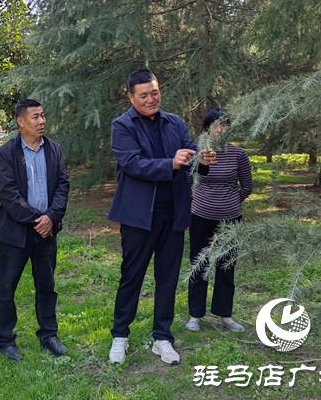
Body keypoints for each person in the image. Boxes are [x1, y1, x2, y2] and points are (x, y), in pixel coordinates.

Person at [107, 70, 217, 365]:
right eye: (143, 95)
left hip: (174, 214)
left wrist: (203, 160)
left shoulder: (174, 123)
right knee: (132, 276)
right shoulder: (122, 125)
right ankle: (120, 335)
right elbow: (132, 163)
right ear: (130, 97)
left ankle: (162, 337)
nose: (150, 99)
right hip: (138, 216)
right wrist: (170, 163)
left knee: (167, 278)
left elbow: (191, 155)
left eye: (154, 92)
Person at [0, 99, 70, 362]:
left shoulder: (54, 149)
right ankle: (5, 340)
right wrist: (40, 219)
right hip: (16, 234)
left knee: (47, 286)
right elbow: (8, 194)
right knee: (6, 289)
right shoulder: (7, 153)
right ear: (21, 121)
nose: (42, 121)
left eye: (43, 115)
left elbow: (62, 185)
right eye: (35, 117)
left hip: (47, 234)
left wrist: (52, 217)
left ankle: (49, 335)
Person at [185, 108, 253, 333]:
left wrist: (231, 201)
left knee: (226, 266)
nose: (220, 129)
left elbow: (247, 186)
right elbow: (188, 183)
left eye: (224, 125)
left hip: (230, 221)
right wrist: (198, 204)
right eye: (215, 125)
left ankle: (225, 315)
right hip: (200, 218)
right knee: (199, 264)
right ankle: (195, 316)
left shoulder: (238, 154)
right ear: (207, 128)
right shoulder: (198, 154)